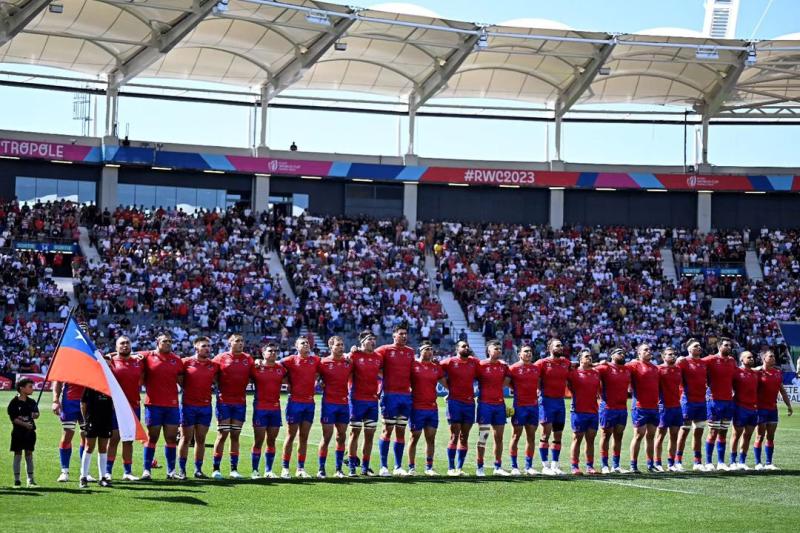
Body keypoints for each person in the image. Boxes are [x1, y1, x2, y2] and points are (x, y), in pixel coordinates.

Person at [141, 333, 184, 480]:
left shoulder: (177, 360)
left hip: (171, 406)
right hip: (153, 405)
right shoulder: (147, 356)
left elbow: (182, 380)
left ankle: (171, 471)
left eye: (170, 341)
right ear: (157, 342)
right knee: (152, 437)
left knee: (171, 438)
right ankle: (146, 471)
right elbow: (124, 354)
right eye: (165, 341)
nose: (168, 343)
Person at [211, 334, 255, 479]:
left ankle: (233, 469)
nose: (240, 343)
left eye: (242, 341)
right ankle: (216, 469)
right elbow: (212, 374)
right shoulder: (220, 358)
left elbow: (251, 375)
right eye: (237, 341)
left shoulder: (248, 359)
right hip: (224, 401)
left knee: (235, 435)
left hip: (240, 402)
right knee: (222, 434)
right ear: (230, 343)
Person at [375, 324, 415, 477]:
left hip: (405, 395)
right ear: (394, 336)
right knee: (387, 429)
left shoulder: (410, 352)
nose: (404, 336)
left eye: (405, 334)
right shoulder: (385, 350)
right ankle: (383, 466)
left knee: (401, 430)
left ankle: (398, 466)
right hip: (390, 395)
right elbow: (371, 359)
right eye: (401, 334)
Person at [178, 336, 218, 479]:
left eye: (208, 346)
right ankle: (182, 470)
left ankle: (198, 470)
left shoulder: (213, 365)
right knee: (185, 438)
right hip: (188, 406)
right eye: (204, 346)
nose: (207, 349)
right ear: (196, 348)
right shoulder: (185, 362)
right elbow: (180, 379)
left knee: (201, 439)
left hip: (205, 407)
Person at [280, 337, 321, 479]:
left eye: (307, 343)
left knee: (304, 437)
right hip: (295, 403)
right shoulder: (290, 360)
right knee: (291, 436)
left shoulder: (315, 360)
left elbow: (322, 370)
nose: (306, 345)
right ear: (296, 346)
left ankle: (300, 468)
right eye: (302, 343)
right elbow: (275, 366)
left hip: (309, 403)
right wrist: (288, 381)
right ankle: (285, 468)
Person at [106, 336, 144, 481]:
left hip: (133, 406)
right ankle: (107, 471)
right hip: (115, 407)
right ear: (116, 347)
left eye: (127, 343)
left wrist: (137, 355)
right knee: (114, 438)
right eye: (121, 343)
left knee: (128, 440)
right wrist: (109, 355)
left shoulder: (139, 361)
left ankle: (127, 472)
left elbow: (153, 352)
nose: (125, 345)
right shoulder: (110, 361)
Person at [440, 340, 478, 476]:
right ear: (457, 349)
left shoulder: (474, 362)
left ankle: (459, 468)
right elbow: (437, 371)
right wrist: (449, 388)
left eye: (467, 346)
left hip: (469, 403)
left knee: (465, 437)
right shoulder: (449, 362)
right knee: (454, 435)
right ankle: (451, 468)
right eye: (463, 346)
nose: (466, 348)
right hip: (454, 403)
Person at [347, 331, 382, 477]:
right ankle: (351, 467)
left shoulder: (378, 358)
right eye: (369, 339)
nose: (373, 342)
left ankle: (365, 467)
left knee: (370, 435)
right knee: (354, 433)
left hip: (372, 401)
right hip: (356, 400)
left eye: (374, 339)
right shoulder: (354, 355)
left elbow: (383, 375)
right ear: (362, 342)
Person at [534, 338, 571, 475]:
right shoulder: (542, 363)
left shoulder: (566, 363)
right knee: (545, 433)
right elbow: (533, 376)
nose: (560, 347)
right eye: (557, 346)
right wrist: (538, 391)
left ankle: (555, 465)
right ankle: (545, 466)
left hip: (560, 402)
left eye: (561, 345)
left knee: (558, 435)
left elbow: (580, 366)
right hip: (546, 402)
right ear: (550, 348)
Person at [317, 336, 352, 479]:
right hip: (329, 404)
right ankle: (321, 469)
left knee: (341, 437)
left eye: (342, 345)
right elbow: (317, 377)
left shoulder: (348, 362)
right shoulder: (323, 362)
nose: (341, 347)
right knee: (326, 437)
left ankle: (338, 469)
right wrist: (320, 383)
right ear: (330, 346)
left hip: (343, 404)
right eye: (338, 345)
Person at [408, 342, 444, 476]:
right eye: (427, 349)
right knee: (414, 437)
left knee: (431, 438)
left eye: (431, 349)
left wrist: (451, 392)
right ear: (420, 351)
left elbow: (445, 383)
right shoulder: (413, 365)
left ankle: (429, 467)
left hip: (432, 408)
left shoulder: (436, 367)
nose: (430, 351)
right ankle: (411, 467)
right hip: (417, 407)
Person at [250, 343, 286, 479]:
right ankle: (255, 470)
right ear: (263, 353)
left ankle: (268, 470)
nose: (273, 353)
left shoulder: (281, 369)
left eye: (275, 351)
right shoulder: (256, 368)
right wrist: (255, 361)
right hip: (260, 409)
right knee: (258, 440)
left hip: (275, 409)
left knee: (272, 441)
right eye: (270, 351)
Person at [475, 340, 510, 476]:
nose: (498, 350)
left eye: (499, 349)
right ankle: (480, 467)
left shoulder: (504, 366)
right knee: (483, 436)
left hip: (499, 405)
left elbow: (506, 383)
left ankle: (498, 467)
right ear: (488, 351)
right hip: (485, 405)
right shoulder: (481, 365)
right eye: (495, 348)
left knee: (499, 438)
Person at [754, 348, 794, 470]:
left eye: (773, 356)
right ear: (763, 358)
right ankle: (758, 463)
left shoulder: (777, 373)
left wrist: (789, 405)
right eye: (770, 356)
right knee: (760, 436)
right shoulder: (757, 372)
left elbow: (782, 391)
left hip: (772, 409)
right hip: (760, 409)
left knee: (770, 436)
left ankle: (769, 463)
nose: (773, 358)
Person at [702, 337, 738, 471]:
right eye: (726, 345)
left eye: (730, 346)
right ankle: (708, 462)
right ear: (719, 347)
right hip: (714, 401)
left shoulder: (732, 361)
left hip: (728, 401)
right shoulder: (710, 359)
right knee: (713, 431)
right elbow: (696, 364)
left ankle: (721, 462)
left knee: (723, 432)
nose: (729, 347)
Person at [504, 344, 540, 476]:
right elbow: (506, 383)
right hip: (519, 407)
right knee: (516, 436)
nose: (528, 353)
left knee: (531, 437)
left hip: (533, 407)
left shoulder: (536, 369)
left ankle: (528, 466)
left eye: (530, 351)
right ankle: (514, 466)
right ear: (520, 354)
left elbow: (539, 384)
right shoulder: (513, 368)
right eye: (525, 351)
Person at [595, 347, 631, 474]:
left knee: (619, 436)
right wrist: (598, 363)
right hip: (608, 408)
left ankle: (616, 465)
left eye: (623, 353)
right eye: (619, 353)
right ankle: (604, 465)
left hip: (622, 408)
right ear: (612, 355)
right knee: (606, 435)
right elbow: (587, 368)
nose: (622, 354)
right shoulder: (605, 367)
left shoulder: (627, 369)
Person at [626, 344, 660, 473]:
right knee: (639, 435)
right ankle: (633, 465)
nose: (649, 351)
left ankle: (650, 464)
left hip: (654, 407)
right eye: (645, 350)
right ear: (639, 353)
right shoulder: (634, 365)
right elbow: (621, 367)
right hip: (640, 406)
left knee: (651, 436)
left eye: (649, 349)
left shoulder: (655, 368)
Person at [676, 338, 708, 472]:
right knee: (684, 432)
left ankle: (698, 462)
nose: (699, 347)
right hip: (688, 401)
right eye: (696, 346)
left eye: (699, 345)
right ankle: (677, 461)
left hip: (701, 401)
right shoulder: (683, 362)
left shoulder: (704, 363)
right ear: (689, 349)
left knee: (699, 432)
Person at [567, 350, 601, 475]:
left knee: (590, 440)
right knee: (577, 438)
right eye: (586, 356)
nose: (590, 358)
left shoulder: (596, 373)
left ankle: (589, 466)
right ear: (580, 359)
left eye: (590, 356)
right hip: (578, 411)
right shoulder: (573, 373)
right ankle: (574, 466)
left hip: (593, 411)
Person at [729, 351, 759, 471]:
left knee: (748, 436)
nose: (752, 359)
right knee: (736, 435)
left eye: (752, 357)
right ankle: (732, 461)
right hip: (740, 408)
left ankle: (742, 461)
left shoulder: (755, 373)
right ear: (742, 359)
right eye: (749, 357)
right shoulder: (736, 372)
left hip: (753, 409)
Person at [80, 386, 114, 488]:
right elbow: (83, 404)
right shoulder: (90, 386)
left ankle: (102, 478)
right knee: (89, 447)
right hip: (92, 421)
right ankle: (83, 477)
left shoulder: (110, 385)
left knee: (103, 448)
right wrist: (86, 420)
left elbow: (113, 404)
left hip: (106, 421)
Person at [655, 347, 683, 472]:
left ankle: (671, 463)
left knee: (674, 436)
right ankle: (657, 463)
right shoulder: (658, 369)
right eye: (669, 354)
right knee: (660, 436)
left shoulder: (678, 369)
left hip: (676, 406)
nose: (673, 356)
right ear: (663, 357)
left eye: (674, 354)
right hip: (663, 407)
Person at [52, 380, 85, 482]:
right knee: (68, 434)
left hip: (88, 400)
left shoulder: (93, 362)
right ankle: (64, 471)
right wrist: (55, 400)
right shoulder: (67, 363)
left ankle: (85, 472)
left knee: (87, 436)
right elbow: (58, 381)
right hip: (70, 401)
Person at [8, 378, 38, 488]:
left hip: (30, 433)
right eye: (30, 386)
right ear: (22, 388)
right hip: (18, 433)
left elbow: (36, 414)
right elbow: (14, 419)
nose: (32, 389)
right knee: (18, 454)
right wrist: (25, 425)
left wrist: (35, 415)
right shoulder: (14, 402)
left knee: (29, 454)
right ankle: (17, 480)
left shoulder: (32, 402)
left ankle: (30, 480)